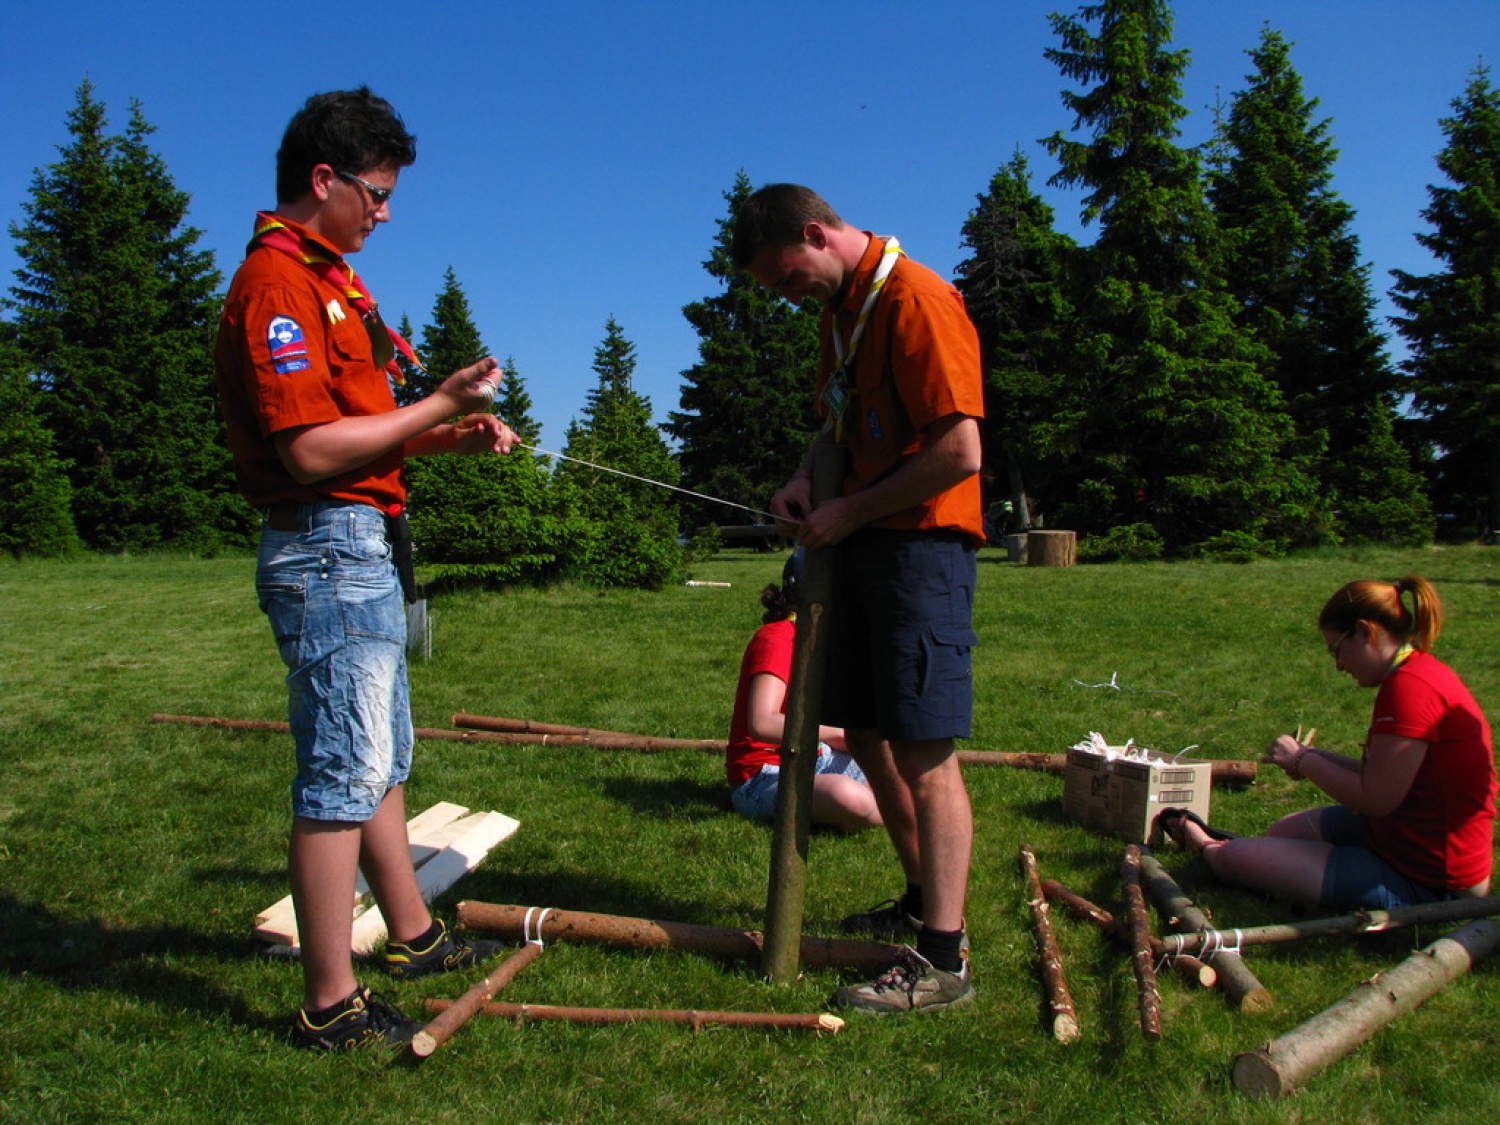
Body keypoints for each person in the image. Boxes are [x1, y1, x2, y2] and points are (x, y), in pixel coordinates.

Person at [214, 88, 518, 1050]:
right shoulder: (279, 285)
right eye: (376, 194)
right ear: (324, 179)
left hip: (356, 540)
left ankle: (414, 936)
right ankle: (329, 1002)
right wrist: (436, 405)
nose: (384, 213)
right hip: (323, 547)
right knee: (339, 773)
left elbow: (353, 434)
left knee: (378, 757)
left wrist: (443, 438)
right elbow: (307, 452)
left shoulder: (329, 279)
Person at [732, 183, 985, 1014]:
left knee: (924, 748)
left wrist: (851, 510)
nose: (787, 294)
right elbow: (835, 425)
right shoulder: (841, 315)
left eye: (786, 276)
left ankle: (945, 959)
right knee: (870, 734)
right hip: (864, 546)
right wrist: (803, 481)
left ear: (816, 233)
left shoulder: (916, 299)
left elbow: (959, 451)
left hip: (922, 550)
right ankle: (919, 902)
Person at [1160, 576, 1496, 911]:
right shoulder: (1415, 674)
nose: (1339, 665)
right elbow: (1382, 775)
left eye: (1337, 650)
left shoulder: (1410, 689)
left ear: (1364, 631)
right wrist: (1311, 756)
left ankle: (1207, 846)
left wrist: (1302, 761)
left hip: (1431, 881)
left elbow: (1375, 799)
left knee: (1233, 859)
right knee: (1282, 831)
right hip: (1401, 837)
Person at [726, 550, 883, 832]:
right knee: (849, 798)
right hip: (763, 776)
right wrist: (842, 736)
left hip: (818, 757)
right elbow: (762, 723)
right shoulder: (778, 638)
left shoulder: (818, 640)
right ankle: (889, 813)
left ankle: (889, 807)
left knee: (904, 767)